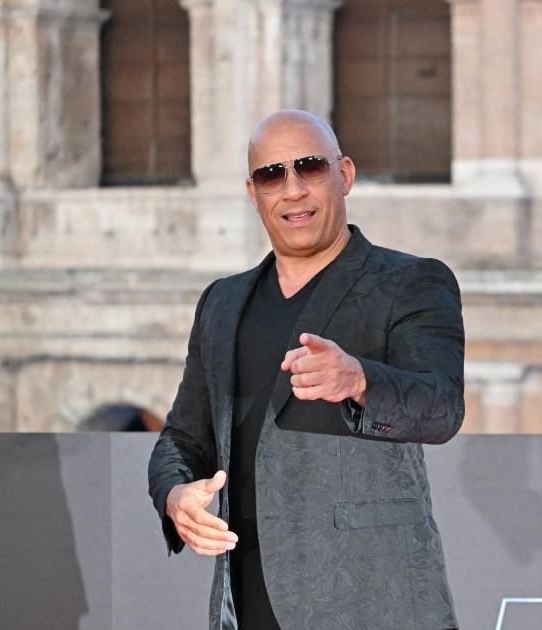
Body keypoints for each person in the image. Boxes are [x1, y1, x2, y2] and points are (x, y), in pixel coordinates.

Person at [148, 110, 464, 630]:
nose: (292, 189)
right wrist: (175, 496)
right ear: (253, 194)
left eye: (310, 167)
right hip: (245, 599)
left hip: (372, 600)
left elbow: (442, 408)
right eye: (272, 175)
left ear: (345, 175)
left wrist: (360, 380)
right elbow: (183, 438)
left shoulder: (410, 282)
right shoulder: (222, 302)